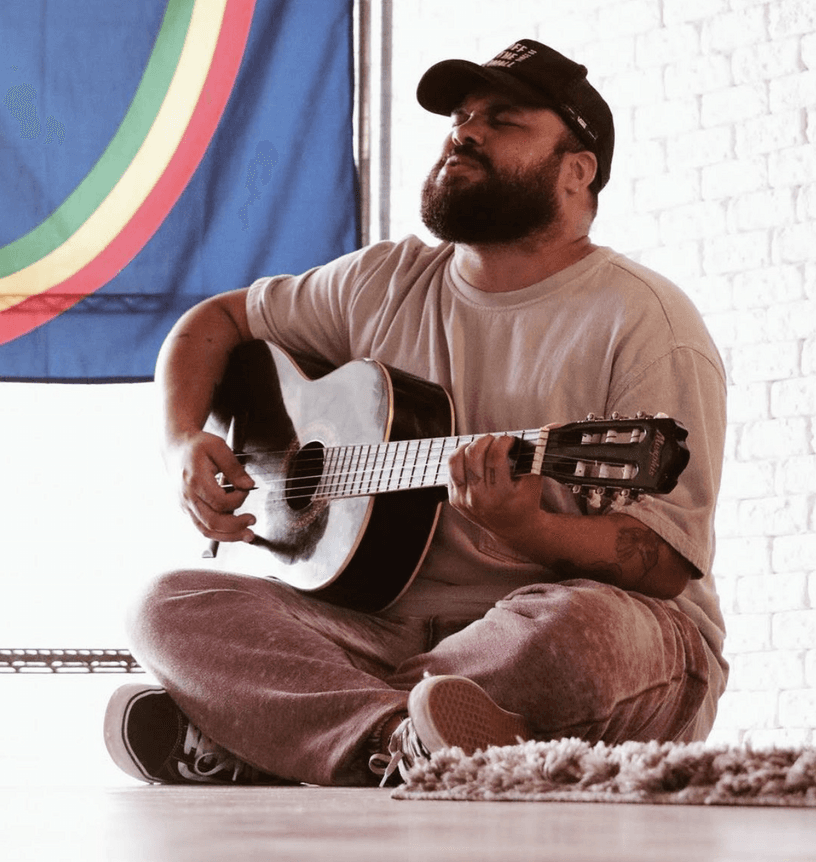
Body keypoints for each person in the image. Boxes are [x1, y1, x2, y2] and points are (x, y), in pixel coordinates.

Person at [104, 38, 728, 787]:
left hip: (552, 634)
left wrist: (529, 528)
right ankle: (402, 739)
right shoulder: (382, 281)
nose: (465, 133)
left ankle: (283, 730)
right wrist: (182, 439)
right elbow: (213, 323)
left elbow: (662, 563)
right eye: (462, 117)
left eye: (503, 120)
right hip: (379, 630)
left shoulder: (645, 321)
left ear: (578, 170)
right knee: (168, 603)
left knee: (580, 634)